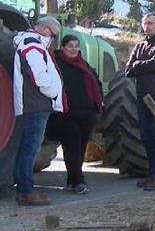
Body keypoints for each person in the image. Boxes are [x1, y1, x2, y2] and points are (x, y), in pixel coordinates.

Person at [12, 16, 64, 206]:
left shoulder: (30, 42)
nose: (53, 38)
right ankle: (26, 191)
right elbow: (38, 74)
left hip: (35, 103)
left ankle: (23, 188)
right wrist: (52, 92)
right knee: (31, 148)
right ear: (44, 29)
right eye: (53, 33)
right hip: (37, 103)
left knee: (27, 147)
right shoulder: (32, 44)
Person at [45, 35, 104, 194]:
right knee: (72, 147)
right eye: (70, 46)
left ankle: (74, 179)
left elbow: (96, 84)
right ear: (63, 47)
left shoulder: (84, 65)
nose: (73, 49)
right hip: (65, 115)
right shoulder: (55, 65)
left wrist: (97, 105)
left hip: (86, 114)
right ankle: (78, 181)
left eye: (76, 46)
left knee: (81, 148)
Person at [124, 13, 155, 191]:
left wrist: (140, 65)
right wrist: (145, 65)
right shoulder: (139, 46)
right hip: (141, 94)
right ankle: (150, 174)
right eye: (145, 23)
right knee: (145, 135)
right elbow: (128, 70)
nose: (148, 26)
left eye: (151, 23)